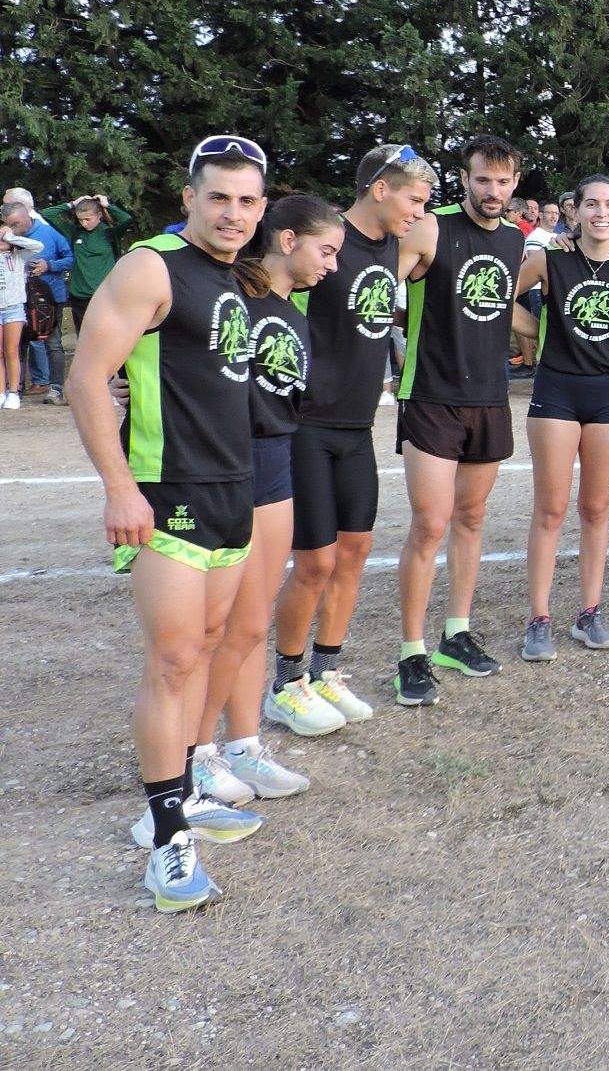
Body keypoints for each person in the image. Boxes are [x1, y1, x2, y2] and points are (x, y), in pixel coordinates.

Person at [69, 135, 270, 911]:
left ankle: (182, 794)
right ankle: (165, 840)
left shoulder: (232, 276)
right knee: (174, 660)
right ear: (189, 197)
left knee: (208, 648)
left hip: (231, 490)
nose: (233, 212)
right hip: (165, 492)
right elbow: (89, 377)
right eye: (219, 196)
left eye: (248, 200)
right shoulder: (151, 266)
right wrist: (118, 488)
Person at [265, 145, 436, 741]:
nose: (420, 212)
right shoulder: (325, 244)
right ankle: (286, 683)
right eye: (414, 199)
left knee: (357, 549)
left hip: (358, 426)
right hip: (307, 421)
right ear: (381, 189)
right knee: (315, 561)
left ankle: (326, 668)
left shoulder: (395, 246)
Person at [192, 195, 345, 806]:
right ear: (287, 240)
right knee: (214, 626)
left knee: (254, 621)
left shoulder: (292, 308)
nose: (332, 265)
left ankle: (242, 745)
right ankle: (195, 755)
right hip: (227, 463)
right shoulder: (233, 291)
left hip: (277, 458)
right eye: (325, 250)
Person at [390, 135, 527, 705]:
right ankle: (411, 651)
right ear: (464, 179)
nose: (492, 191)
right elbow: (377, 289)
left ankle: (455, 633)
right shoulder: (431, 229)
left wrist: (553, 336)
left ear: (514, 184)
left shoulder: (517, 243)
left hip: (490, 397)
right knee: (430, 524)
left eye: (502, 181)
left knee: (471, 519)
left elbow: (505, 307)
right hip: (431, 395)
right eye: (482, 180)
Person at [511, 175, 609, 659]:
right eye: (592, 204)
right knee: (551, 509)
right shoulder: (550, 258)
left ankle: (589, 612)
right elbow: (497, 294)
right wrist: (537, 333)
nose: (601, 213)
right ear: (575, 211)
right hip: (558, 391)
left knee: (596, 509)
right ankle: (539, 618)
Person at [4, 188, 73, 402]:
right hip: (18, 299)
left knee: (53, 343)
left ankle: (55, 387)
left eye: (16, 224)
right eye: (9, 224)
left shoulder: (48, 233)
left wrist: (49, 265)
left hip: (49, 297)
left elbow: (70, 258)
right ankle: (17, 386)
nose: (14, 228)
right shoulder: (9, 236)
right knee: (19, 344)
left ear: (26, 214)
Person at [50, 193, 137, 349]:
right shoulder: (75, 232)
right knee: (85, 343)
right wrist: (71, 204)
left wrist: (107, 205)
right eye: (80, 219)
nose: (84, 223)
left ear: (99, 216)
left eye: (88, 219)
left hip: (104, 295)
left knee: (108, 341)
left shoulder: (109, 233)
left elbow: (127, 219)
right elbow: (48, 214)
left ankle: (111, 373)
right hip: (78, 296)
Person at [1, 203, 46, 410]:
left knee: (12, 350)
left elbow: (38, 247)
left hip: (13, 308)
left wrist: (11, 237)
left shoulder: (19, 255)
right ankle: (1, 392)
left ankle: (13, 392)